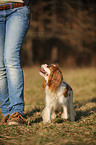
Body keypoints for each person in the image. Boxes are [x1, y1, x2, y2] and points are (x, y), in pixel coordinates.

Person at [0, 0, 31, 125]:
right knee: (0, 64)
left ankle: (17, 112)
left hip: (18, 9)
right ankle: (6, 112)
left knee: (11, 58)